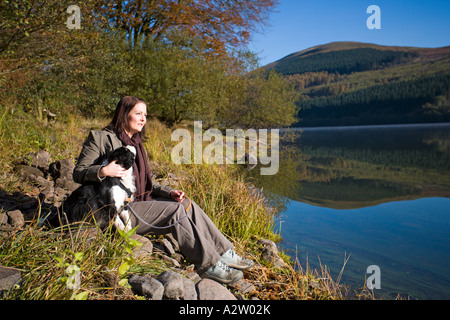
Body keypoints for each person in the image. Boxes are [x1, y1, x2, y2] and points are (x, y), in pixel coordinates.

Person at [73, 96, 253, 284]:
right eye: (138, 113)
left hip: (140, 201)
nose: (143, 119)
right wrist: (103, 171)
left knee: (185, 204)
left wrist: (169, 193)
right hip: (118, 211)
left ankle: (225, 252)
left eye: (145, 114)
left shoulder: (137, 144)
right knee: (175, 211)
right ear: (124, 114)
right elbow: (78, 173)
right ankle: (210, 265)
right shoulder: (101, 138)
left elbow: (143, 184)